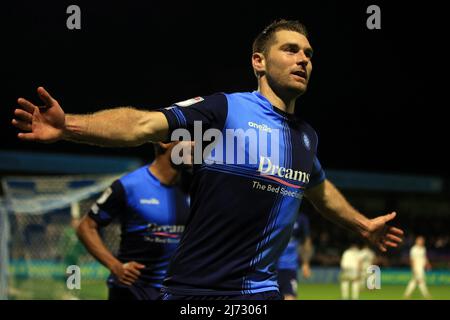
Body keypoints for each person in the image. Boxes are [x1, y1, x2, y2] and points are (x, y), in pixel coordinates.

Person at [12, 19, 404, 300]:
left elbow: (318, 190)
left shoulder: (305, 137)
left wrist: (362, 224)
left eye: (309, 53)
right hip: (197, 293)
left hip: (262, 293)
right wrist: (70, 127)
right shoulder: (224, 111)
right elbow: (143, 124)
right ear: (259, 62)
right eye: (290, 49)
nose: (303, 58)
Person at [76, 142, 190, 300]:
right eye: (188, 137)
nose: (196, 144)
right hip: (132, 291)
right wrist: (115, 266)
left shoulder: (195, 187)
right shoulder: (129, 186)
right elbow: (86, 227)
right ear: (163, 143)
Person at [276, 211, 313, 300]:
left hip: (290, 267)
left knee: (290, 297)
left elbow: (307, 241)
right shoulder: (274, 214)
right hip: (271, 268)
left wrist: (305, 263)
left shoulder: (301, 218)